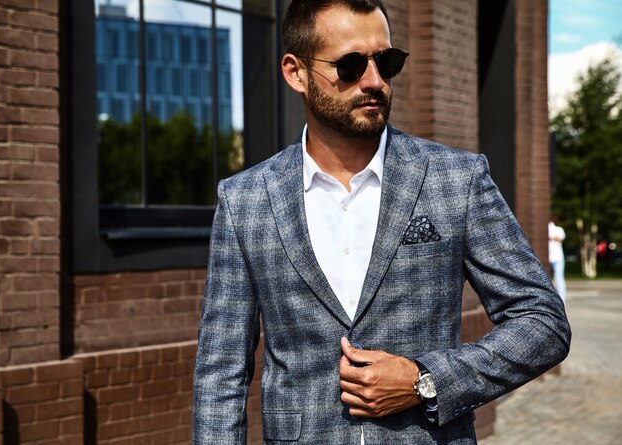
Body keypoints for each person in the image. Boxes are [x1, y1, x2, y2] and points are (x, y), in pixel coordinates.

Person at [193, 1, 571, 443]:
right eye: (351, 65)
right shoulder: (246, 200)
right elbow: (221, 375)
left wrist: (424, 380)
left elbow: (543, 322)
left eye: (386, 62)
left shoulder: (455, 179)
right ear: (296, 73)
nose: (374, 81)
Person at [548, 219, 567, 301]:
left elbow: (559, 238)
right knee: (558, 278)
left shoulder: (557, 229)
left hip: (556, 257)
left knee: (557, 278)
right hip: (556, 257)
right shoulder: (558, 229)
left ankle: (560, 298)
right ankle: (561, 299)